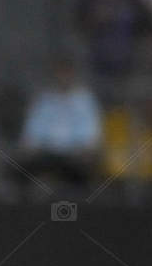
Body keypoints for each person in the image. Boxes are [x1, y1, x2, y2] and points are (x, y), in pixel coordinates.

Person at [15, 59, 102, 188]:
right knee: (19, 167)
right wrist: (29, 147)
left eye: (66, 74)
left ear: (72, 75)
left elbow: (91, 137)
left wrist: (84, 150)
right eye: (59, 74)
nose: (62, 78)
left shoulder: (85, 101)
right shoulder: (44, 101)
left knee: (83, 166)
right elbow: (32, 134)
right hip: (46, 153)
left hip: (74, 155)